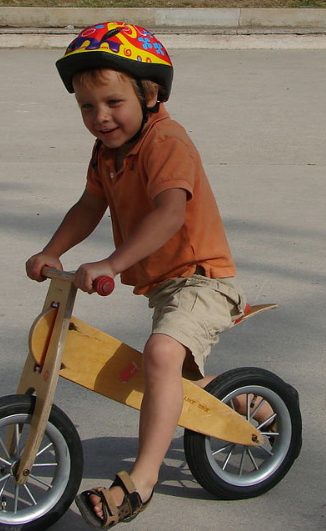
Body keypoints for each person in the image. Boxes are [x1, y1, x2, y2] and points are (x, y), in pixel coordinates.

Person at [26, 21, 254, 530]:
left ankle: (141, 483)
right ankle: (251, 408)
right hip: (165, 286)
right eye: (87, 107)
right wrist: (51, 251)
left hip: (203, 279)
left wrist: (110, 264)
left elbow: (169, 213)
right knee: (165, 373)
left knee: (160, 354)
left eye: (112, 102)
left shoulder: (166, 140)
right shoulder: (106, 153)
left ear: (149, 93)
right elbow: (89, 206)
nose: (100, 117)